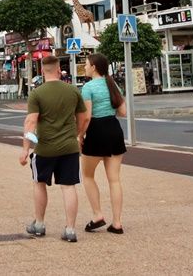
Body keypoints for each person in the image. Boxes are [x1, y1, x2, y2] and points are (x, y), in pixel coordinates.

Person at [19, 55, 90, 243]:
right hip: (69, 147)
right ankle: (70, 229)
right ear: (59, 70)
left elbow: (31, 122)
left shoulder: (37, 93)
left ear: (42, 71)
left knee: (39, 183)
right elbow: (84, 118)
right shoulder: (73, 91)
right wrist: (77, 134)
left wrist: (26, 148)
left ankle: (40, 224)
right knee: (68, 187)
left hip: (45, 148)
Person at [79, 53, 127, 234]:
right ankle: (117, 223)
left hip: (96, 131)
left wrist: (80, 136)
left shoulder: (88, 87)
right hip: (114, 130)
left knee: (88, 175)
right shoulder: (113, 85)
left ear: (94, 67)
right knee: (114, 179)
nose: (84, 67)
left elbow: (87, 117)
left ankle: (97, 215)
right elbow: (122, 112)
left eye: (86, 64)